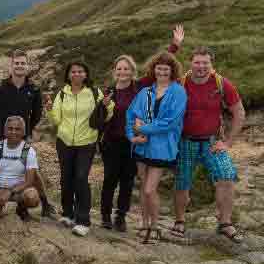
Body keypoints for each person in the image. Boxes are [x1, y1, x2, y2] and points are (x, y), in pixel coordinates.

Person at [173, 43, 246, 242]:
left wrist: (228, 142)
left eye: (205, 63)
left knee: (226, 176)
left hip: (212, 141)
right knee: (182, 182)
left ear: (211, 64)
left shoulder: (222, 83)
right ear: (191, 63)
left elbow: (239, 112)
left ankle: (225, 223)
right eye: (197, 62)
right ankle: (179, 221)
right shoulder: (180, 83)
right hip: (185, 141)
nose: (201, 66)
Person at [0, 50, 55, 219]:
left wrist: (25, 132)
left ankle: (42, 203)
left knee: (31, 172)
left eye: (22, 63)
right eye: (16, 63)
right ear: (11, 66)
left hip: (22, 138)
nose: (19, 66)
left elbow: (37, 115)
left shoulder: (33, 89)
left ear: (27, 66)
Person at [45, 62, 113, 237]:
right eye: (73, 71)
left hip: (87, 142)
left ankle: (83, 220)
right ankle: (68, 214)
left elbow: (108, 114)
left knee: (81, 178)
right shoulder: (62, 94)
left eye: (80, 71)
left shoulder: (94, 93)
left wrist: (106, 105)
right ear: (68, 75)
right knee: (66, 177)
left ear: (85, 74)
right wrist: (49, 110)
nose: (76, 74)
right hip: (64, 142)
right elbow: (56, 121)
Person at [126, 52, 187, 243]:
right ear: (154, 69)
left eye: (166, 69)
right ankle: (144, 224)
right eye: (159, 68)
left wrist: (142, 128)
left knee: (149, 190)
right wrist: (131, 136)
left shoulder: (178, 92)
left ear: (172, 71)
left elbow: (170, 122)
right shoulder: (146, 92)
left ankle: (154, 227)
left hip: (162, 148)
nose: (161, 71)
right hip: (142, 147)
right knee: (144, 187)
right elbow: (130, 115)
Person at [99, 56, 140, 232]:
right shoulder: (108, 92)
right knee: (109, 180)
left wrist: (174, 47)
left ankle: (121, 216)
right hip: (111, 142)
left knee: (127, 181)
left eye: (126, 69)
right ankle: (105, 216)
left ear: (132, 71)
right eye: (119, 69)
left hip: (131, 142)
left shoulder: (138, 90)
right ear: (114, 71)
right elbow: (99, 118)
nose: (122, 72)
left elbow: (158, 72)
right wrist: (102, 106)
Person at [0, 117, 41, 222]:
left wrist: (10, 191)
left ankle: (21, 207)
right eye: (10, 128)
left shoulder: (29, 151)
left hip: (18, 190)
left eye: (17, 129)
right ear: (5, 131)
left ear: (23, 132)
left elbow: (29, 181)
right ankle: (3, 211)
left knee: (32, 198)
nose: (13, 132)